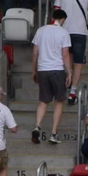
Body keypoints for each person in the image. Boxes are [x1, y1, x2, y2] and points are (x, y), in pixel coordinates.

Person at [30, 8, 73, 146]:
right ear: (63, 20)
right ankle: (53, 133)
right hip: (57, 70)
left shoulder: (40, 30)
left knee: (44, 101)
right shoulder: (63, 32)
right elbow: (65, 54)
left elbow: (35, 53)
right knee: (59, 101)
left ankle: (37, 126)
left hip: (42, 69)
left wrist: (34, 71)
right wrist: (69, 72)